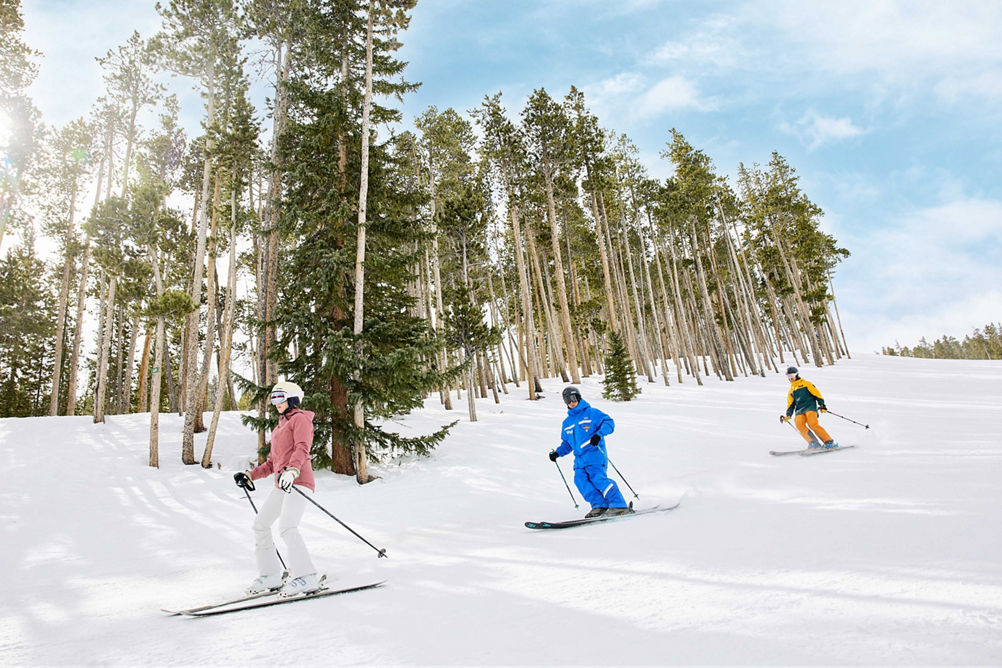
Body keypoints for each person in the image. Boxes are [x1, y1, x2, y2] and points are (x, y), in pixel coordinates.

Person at [233, 380, 321, 597]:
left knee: (287, 527)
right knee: (260, 525)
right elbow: (272, 463)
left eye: (280, 398)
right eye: (273, 398)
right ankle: (270, 575)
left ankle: (306, 576)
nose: (275, 403)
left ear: (292, 399)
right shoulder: (279, 426)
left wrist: (292, 471)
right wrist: (250, 475)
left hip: (298, 481)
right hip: (281, 484)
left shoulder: (300, 419)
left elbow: (303, 448)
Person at [549, 386, 632, 518]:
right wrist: (557, 453)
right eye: (567, 400)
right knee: (580, 480)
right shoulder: (567, 423)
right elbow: (567, 444)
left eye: (573, 398)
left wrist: (599, 434)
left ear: (579, 397)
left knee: (598, 479)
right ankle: (599, 505)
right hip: (580, 460)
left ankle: (618, 504)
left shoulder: (592, 413)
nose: (571, 402)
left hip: (595, 455)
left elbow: (609, 422)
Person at [780, 366, 839, 449]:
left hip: (810, 407)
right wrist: (788, 415)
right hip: (799, 411)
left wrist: (822, 405)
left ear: (796, 375)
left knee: (812, 424)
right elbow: (791, 405)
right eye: (788, 376)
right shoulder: (791, 390)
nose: (790, 378)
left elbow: (817, 394)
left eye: (791, 375)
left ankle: (829, 441)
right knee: (799, 424)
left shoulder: (807, 384)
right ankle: (813, 443)